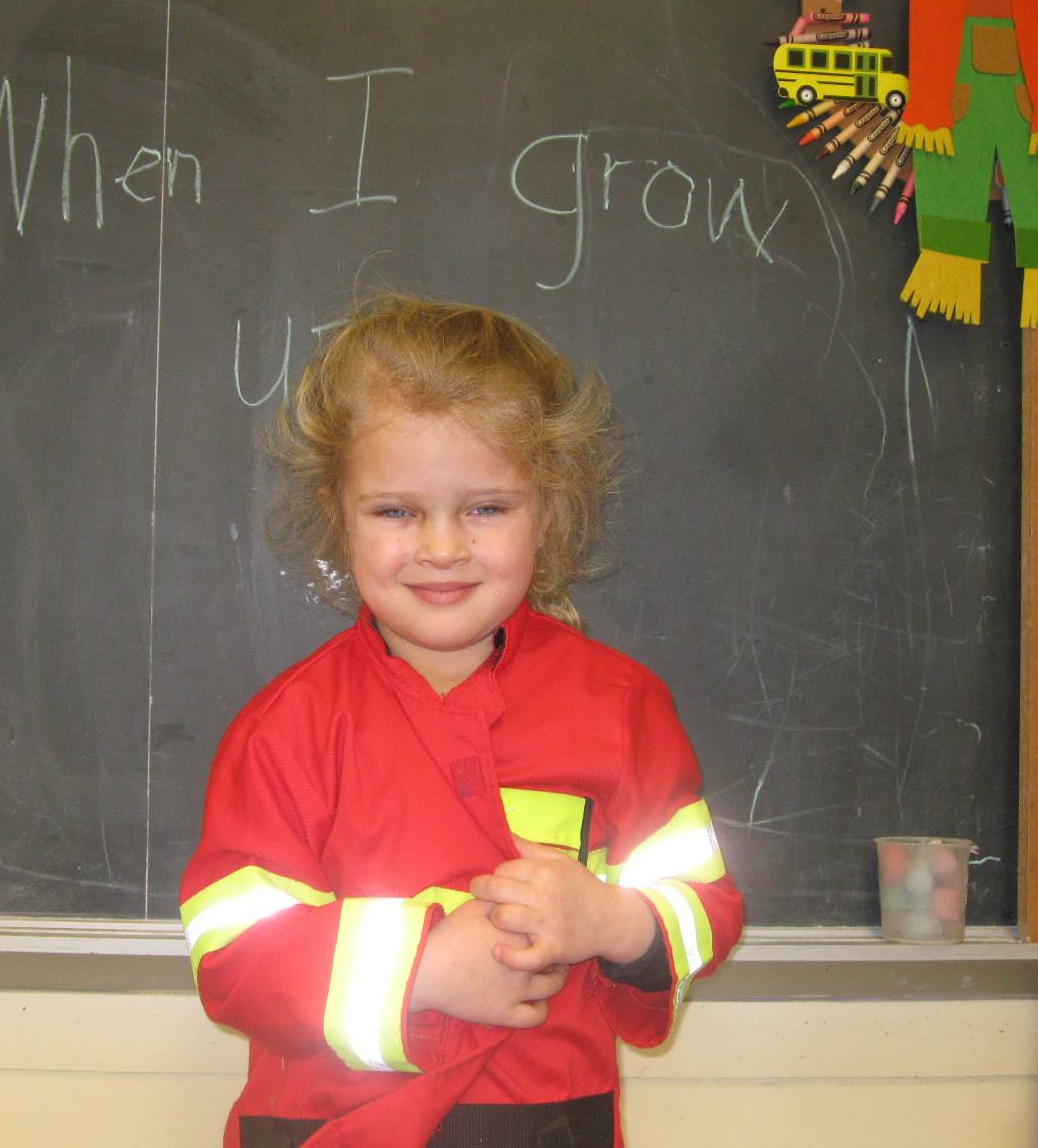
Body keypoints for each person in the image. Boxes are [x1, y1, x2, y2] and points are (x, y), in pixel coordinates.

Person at [180, 295, 743, 1148]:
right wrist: (423, 969)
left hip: (551, 1121)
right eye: (396, 511)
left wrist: (613, 922)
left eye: (486, 508)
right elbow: (231, 955)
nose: (443, 548)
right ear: (339, 515)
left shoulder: (622, 706)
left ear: (547, 511)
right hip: (330, 1127)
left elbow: (705, 902)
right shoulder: (284, 729)